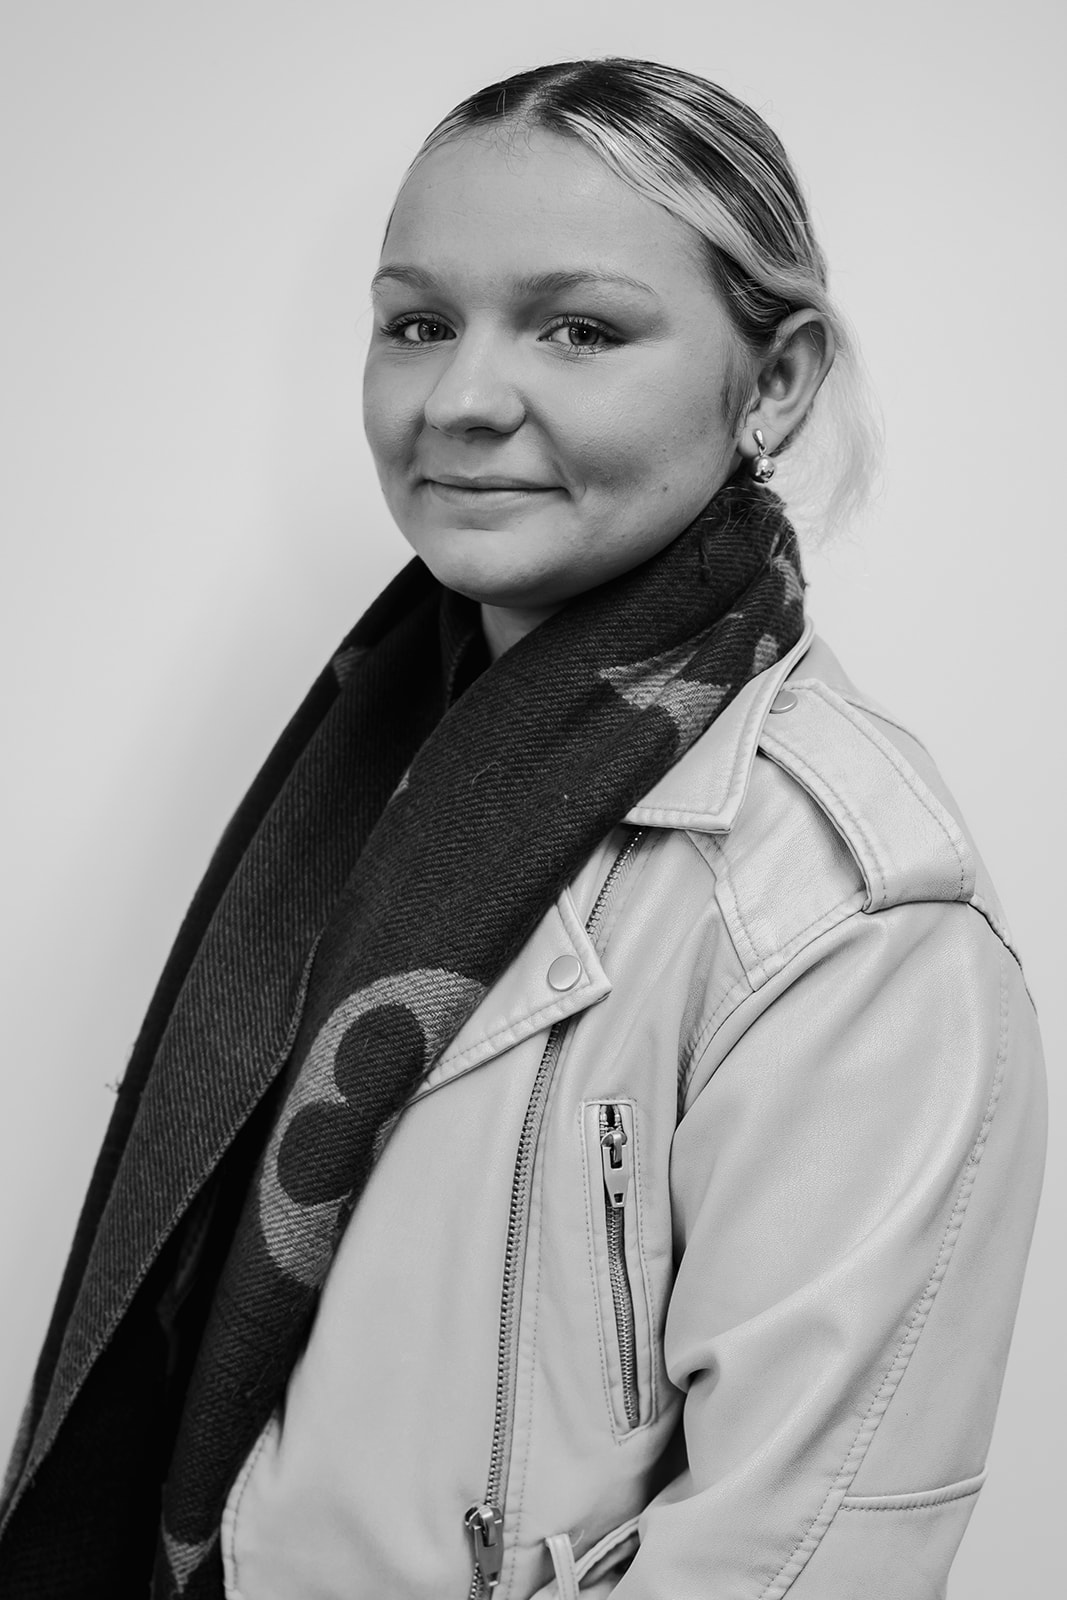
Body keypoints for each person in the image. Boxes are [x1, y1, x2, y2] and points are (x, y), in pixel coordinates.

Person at [0, 57, 1046, 1600]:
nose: (464, 397)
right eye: (419, 322)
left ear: (775, 379)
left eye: (579, 329)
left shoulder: (846, 914)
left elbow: (794, 1563)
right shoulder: (381, 765)